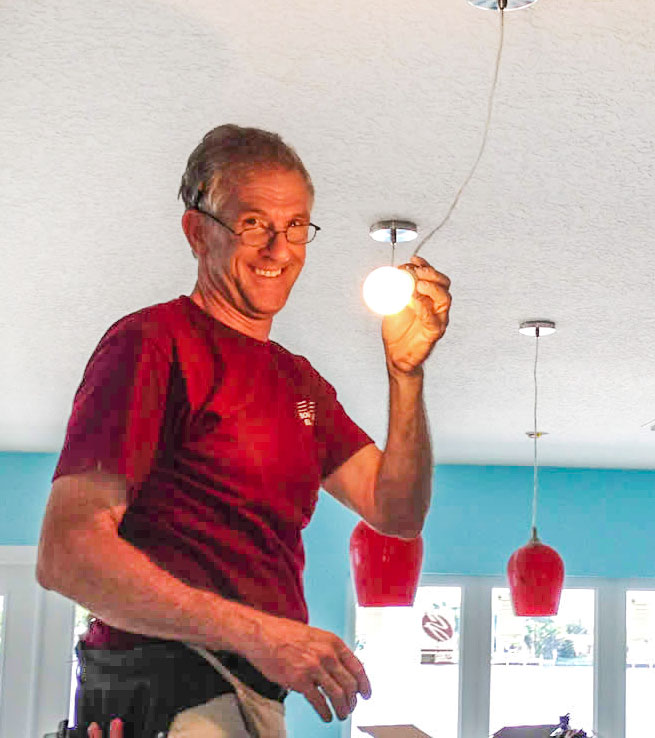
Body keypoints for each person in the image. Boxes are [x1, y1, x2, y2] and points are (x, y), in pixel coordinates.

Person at [36, 124, 452, 737]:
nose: (278, 249)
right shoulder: (153, 343)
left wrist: (405, 376)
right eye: (252, 223)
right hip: (171, 685)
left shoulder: (299, 384)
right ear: (197, 231)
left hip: (252, 693)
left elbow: (397, 511)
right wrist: (262, 634)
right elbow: (65, 553)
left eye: (295, 227)